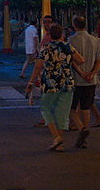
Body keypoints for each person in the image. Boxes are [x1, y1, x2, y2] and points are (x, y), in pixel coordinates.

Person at [26, 23, 87, 152]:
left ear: (50, 35)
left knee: (46, 110)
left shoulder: (46, 48)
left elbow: (38, 66)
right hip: (67, 83)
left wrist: (31, 82)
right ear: (62, 34)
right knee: (63, 114)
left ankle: (57, 138)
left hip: (50, 83)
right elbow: (81, 60)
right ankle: (59, 142)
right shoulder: (68, 47)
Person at [67, 16, 100, 148]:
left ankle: (82, 128)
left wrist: (81, 73)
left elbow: (71, 60)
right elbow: (99, 60)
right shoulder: (95, 40)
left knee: (71, 108)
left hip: (76, 79)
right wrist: (92, 73)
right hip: (91, 80)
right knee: (86, 107)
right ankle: (85, 132)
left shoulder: (71, 40)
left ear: (74, 25)